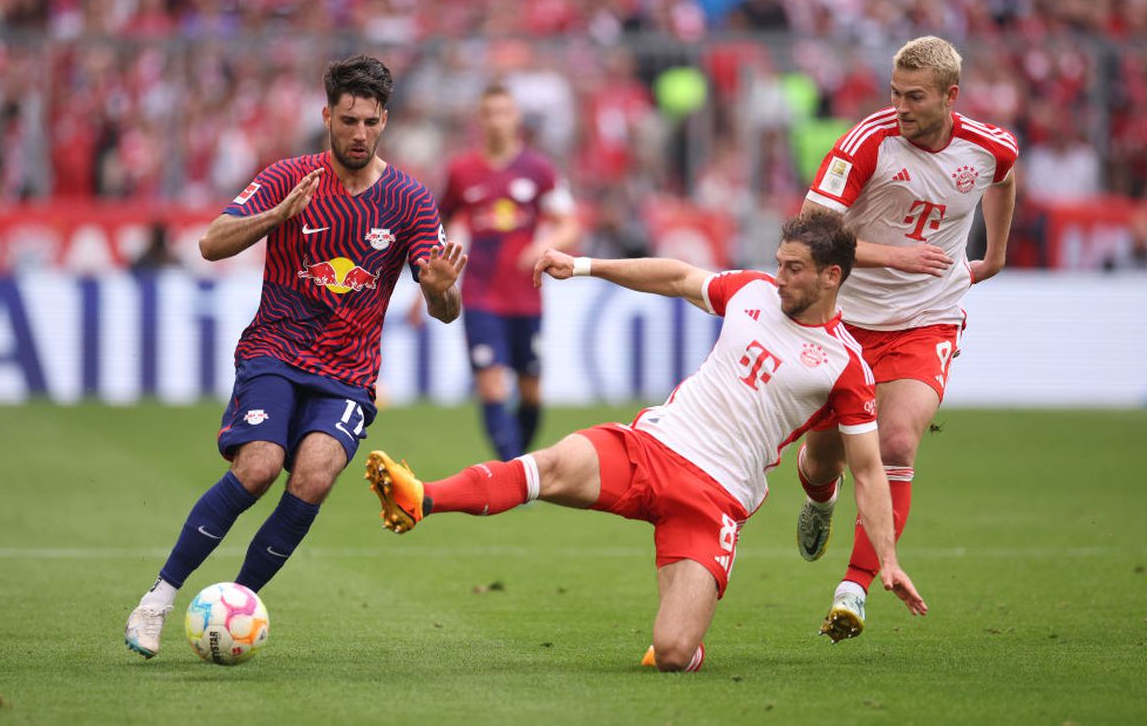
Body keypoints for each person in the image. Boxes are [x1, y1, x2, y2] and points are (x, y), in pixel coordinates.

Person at [363, 213, 928, 672]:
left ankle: (686, 639)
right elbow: (679, 278)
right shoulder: (752, 292)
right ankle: (421, 497)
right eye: (779, 263)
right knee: (550, 465)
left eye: (795, 269)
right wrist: (584, 265)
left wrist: (886, 559)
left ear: (832, 277)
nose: (779, 277)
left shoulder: (845, 365)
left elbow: (870, 471)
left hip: (716, 498)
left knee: (674, 653)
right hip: (653, 447)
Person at [123, 55, 467, 659]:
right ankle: (158, 597)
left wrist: (441, 287)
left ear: (385, 120)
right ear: (327, 115)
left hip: (349, 373)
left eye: (370, 122)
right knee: (258, 467)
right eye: (348, 120)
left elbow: (445, 310)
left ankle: (233, 607)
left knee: (313, 476)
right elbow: (209, 243)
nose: (359, 133)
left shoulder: (410, 199)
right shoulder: (289, 176)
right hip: (275, 352)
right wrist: (275, 216)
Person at [795, 36, 1018, 641]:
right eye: (894, 92)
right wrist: (894, 256)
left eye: (914, 96)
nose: (900, 106)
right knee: (822, 458)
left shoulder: (988, 146)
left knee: (896, 443)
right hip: (847, 320)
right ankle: (820, 498)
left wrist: (993, 256)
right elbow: (814, 235)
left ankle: (854, 589)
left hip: (929, 317)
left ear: (951, 96)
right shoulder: (869, 141)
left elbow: (1002, 176)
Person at [437, 83, 580, 459]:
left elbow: (570, 223)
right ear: (480, 120)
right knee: (491, 384)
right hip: (480, 293)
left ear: (515, 118)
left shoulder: (538, 169)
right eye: (490, 113)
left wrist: (542, 246)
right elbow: (441, 224)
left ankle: (515, 465)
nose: (497, 121)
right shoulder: (461, 171)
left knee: (530, 391)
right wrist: (438, 269)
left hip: (526, 294)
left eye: (504, 113)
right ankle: (514, 470)